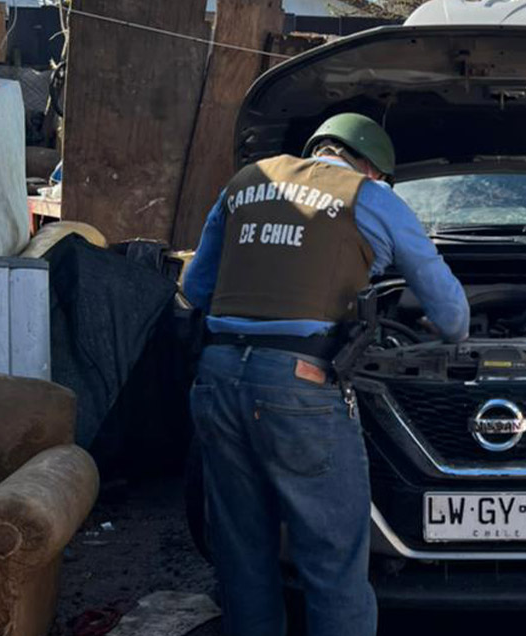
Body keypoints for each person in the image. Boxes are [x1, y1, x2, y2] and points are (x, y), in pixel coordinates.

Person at [183, 112, 469, 636]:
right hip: (300, 388)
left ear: (319, 147)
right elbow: (451, 314)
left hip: (219, 378)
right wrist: (444, 330)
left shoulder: (245, 183)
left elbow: (196, 288)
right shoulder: (370, 197)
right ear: (372, 168)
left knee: (243, 555)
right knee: (333, 562)